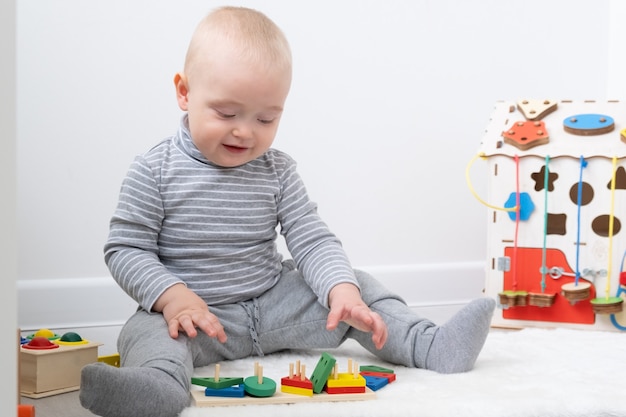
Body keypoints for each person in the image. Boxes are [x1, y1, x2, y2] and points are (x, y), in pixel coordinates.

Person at [79, 6, 495, 417]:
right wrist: (173, 298)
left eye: (266, 118)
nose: (245, 131)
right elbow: (125, 249)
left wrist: (340, 291)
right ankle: (159, 387)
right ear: (185, 92)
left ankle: (431, 344)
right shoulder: (154, 170)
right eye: (226, 113)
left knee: (356, 291)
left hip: (272, 306)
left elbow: (311, 237)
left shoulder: (277, 170)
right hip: (197, 320)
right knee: (145, 331)